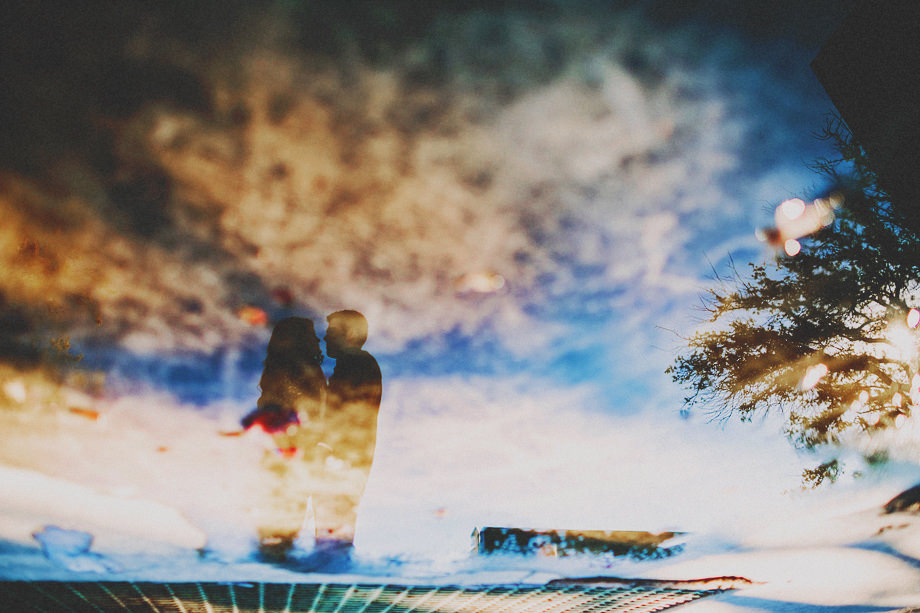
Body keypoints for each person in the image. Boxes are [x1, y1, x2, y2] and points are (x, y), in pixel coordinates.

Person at [242, 317, 327, 557]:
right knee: (285, 489)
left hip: (289, 442)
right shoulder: (303, 372)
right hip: (290, 441)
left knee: (283, 488)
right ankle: (279, 540)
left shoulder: (284, 370)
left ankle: (277, 540)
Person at [311, 309, 382, 552]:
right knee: (336, 518)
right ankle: (333, 560)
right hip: (351, 455)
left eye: (332, 332)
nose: (325, 338)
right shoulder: (358, 364)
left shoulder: (355, 364)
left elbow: (342, 412)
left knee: (332, 515)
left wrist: (326, 448)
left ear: (349, 334)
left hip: (343, 456)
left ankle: (330, 563)